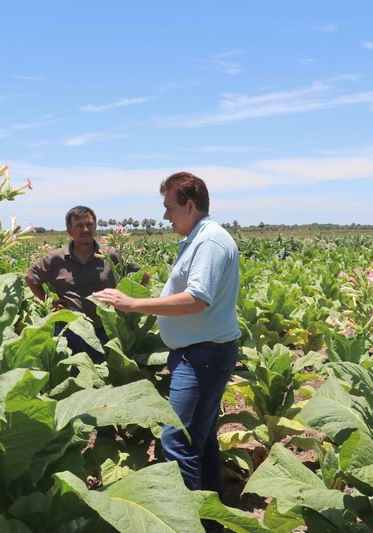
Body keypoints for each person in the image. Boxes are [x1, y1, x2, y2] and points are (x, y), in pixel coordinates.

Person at [94, 172, 240, 519]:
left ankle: (184, 522)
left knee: (177, 441)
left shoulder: (210, 242)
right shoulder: (197, 238)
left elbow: (196, 299)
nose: (165, 216)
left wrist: (132, 304)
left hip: (203, 356)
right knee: (198, 442)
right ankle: (210, 523)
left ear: (190, 205)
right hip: (196, 353)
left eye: (169, 207)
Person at [26, 205, 145, 362]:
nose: (85, 229)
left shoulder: (109, 255)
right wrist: (49, 302)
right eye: (79, 225)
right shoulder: (56, 258)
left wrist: (128, 301)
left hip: (103, 330)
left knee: (103, 374)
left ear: (95, 227)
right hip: (68, 330)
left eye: (89, 224)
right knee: (69, 372)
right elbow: (30, 277)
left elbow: (143, 275)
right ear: (69, 231)